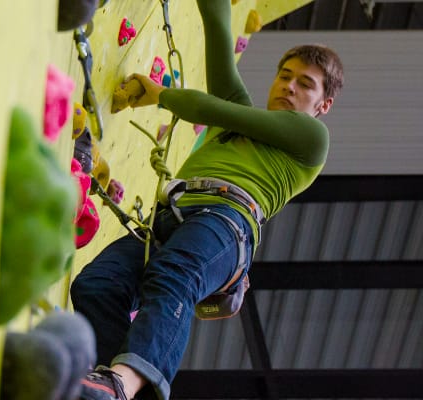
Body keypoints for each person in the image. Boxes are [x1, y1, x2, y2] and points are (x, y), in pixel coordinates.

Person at [71, 1, 344, 399]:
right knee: (98, 283)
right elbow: (217, 26)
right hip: (175, 216)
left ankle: (120, 385)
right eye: (285, 76)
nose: (289, 85)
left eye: (305, 83)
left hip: (227, 223)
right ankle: (115, 385)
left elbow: (209, 107)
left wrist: (162, 95)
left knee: (174, 277)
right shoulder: (235, 117)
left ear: (323, 105)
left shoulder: (312, 140)